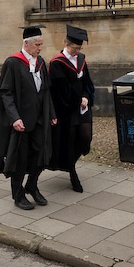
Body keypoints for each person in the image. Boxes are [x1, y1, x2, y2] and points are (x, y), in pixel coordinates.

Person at [0, 26, 56, 210]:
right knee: (20, 159)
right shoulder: (13, 63)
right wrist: (14, 118)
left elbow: (45, 91)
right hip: (21, 121)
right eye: (37, 44)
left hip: (39, 120)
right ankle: (18, 194)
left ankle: (32, 185)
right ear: (26, 43)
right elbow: (6, 93)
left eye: (41, 44)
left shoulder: (41, 62)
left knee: (41, 154)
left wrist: (51, 113)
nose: (40, 48)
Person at [47, 25, 95, 193]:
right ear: (66, 44)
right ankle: (72, 171)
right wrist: (78, 99)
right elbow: (62, 90)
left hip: (82, 106)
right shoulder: (56, 63)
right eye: (75, 48)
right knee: (69, 140)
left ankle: (71, 164)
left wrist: (86, 97)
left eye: (79, 48)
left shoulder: (81, 59)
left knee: (86, 138)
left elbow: (86, 82)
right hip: (66, 109)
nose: (77, 51)